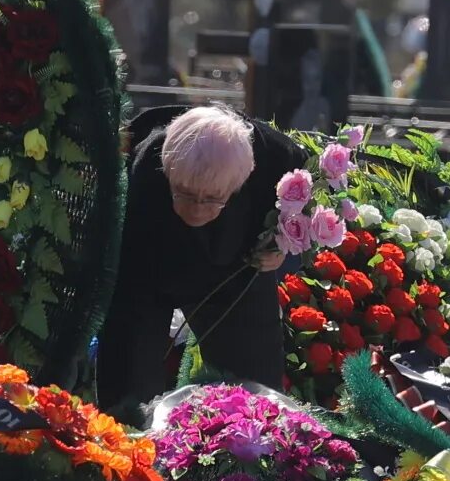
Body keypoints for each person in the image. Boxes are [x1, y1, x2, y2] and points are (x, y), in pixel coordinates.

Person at [95, 101, 302, 423]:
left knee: (255, 395)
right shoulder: (143, 172)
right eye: (186, 194)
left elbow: (300, 223)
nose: (197, 209)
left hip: (235, 263)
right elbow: (124, 277)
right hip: (148, 263)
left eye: (212, 198)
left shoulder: (279, 164)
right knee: (126, 384)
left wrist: (280, 247)